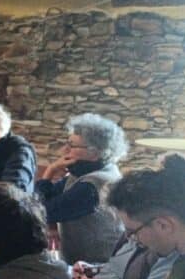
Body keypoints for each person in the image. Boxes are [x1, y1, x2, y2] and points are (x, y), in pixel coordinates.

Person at [35, 113, 127, 264]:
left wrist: (49, 172)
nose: (65, 150)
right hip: (80, 262)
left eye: (72, 145)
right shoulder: (83, 172)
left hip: (98, 266)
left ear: (95, 154)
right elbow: (39, 201)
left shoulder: (94, 184)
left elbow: (42, 213)